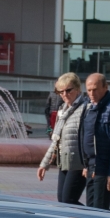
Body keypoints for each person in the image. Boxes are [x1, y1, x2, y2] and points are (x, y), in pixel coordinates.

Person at [77, 72, 110, 210]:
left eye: (95, 89)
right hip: (91, 167)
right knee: (91, 208)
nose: (91, 93)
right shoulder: (87, 106)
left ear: (105, 87)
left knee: (100, 209)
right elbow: (84, 135)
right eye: (89, 89)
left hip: (103, 167)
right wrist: (86, 164)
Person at [37, 72, 87, 204]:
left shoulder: (85, 109)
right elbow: (56, 140)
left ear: (78, 89)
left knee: (68, 200)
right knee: (63, 201)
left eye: (68, 90)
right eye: (61, 92)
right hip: (64, 161)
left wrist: (88, 164)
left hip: (79, 163)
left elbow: (89, 139)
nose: (64, 94)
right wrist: (44, 164)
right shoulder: (63, 110)